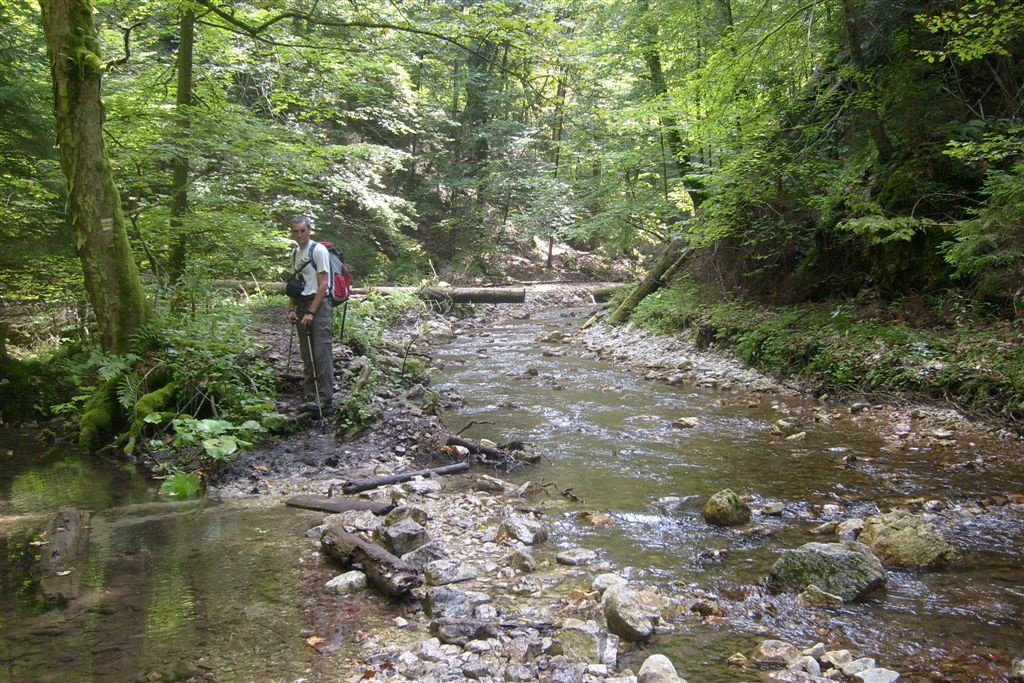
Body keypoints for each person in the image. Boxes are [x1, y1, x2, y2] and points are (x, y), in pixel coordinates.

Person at [287, 215, 334, 413]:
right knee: (307, 353)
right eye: (296, 231)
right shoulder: (295, 253)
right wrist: (291, 308)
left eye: (303, 230)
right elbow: (294, 285)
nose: (299, 235)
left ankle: (325, 399)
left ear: (309, 230)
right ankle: (310, 395)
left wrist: (311, 312)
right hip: (302, 304)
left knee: (321, 352)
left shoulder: (319, 250)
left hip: (319, 305)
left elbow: (324, 284)